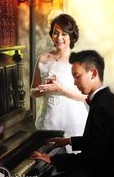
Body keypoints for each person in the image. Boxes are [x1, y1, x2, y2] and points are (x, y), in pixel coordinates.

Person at [30, 50, 114, 177]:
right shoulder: (108, 100)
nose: (75, 83)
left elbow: (90, 158)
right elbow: (99, 141)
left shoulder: (101, 108)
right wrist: (69, 141)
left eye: (77, 76)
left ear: (93, 73)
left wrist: (53, 159)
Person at [30, 14, 88, 151]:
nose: (59, 37)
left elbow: (85, 96)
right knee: (46, 160)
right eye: (55, 33)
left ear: (71, 36)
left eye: (64, 34)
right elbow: (33, 92)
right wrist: (43, 89)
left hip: (72, 119)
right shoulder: (43, 59)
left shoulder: (79, 61)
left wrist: (59, 89)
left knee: (73, 161)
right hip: (47, 117)